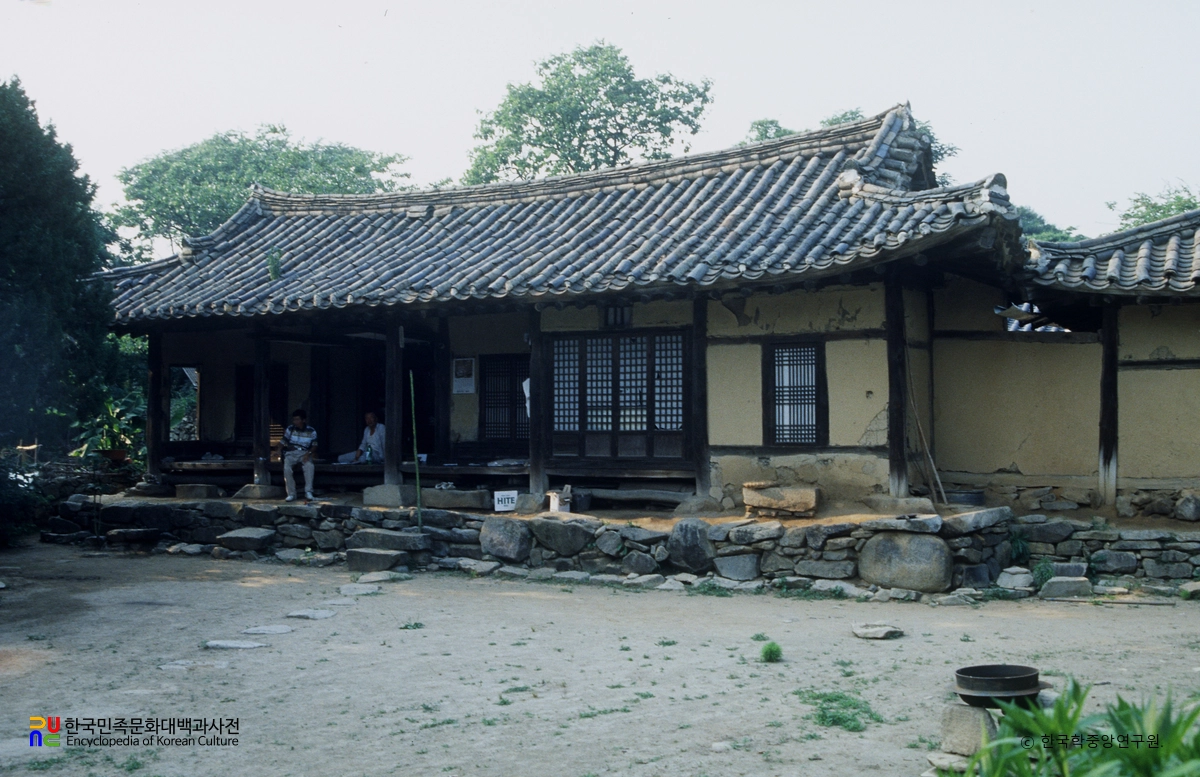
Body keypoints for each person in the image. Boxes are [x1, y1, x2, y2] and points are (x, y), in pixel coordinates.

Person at [280, 409, 317, 502]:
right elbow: (283, 440)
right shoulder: (290, 429)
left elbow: (315, 445)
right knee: (287, 468)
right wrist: (278, 449)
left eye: (297, 419)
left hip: (304, 453)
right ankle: (291, 494)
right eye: (294, 420)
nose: (295, 422)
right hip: (291, 453)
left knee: (309, 466)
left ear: (303, 420)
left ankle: (308, 491)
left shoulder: (311, 431)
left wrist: (308, 454)